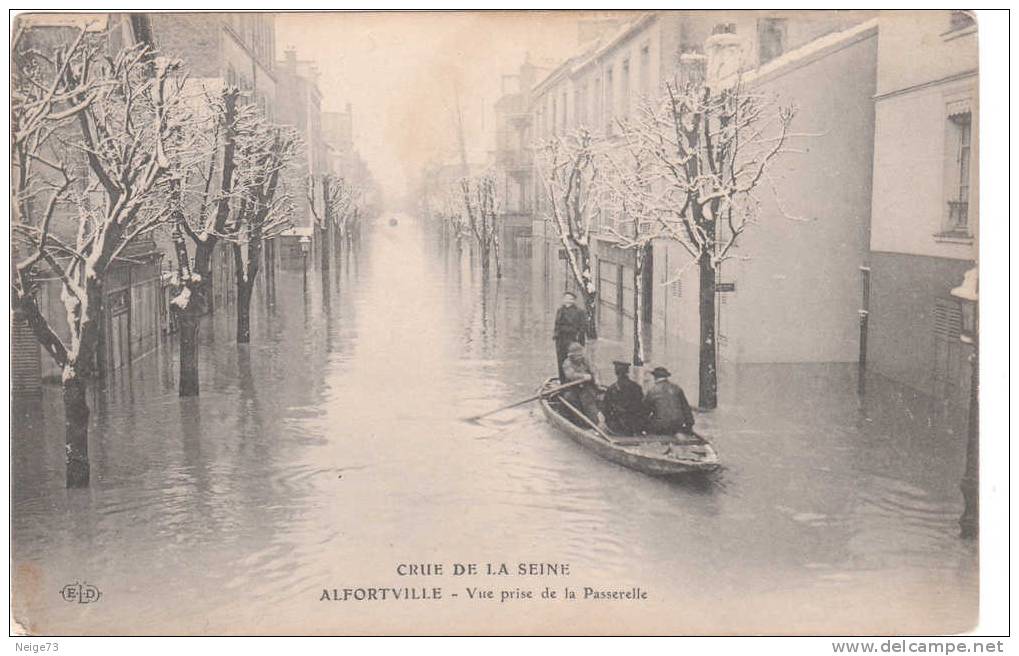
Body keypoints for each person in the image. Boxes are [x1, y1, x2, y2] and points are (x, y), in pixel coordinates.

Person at [643, 366, 695, 435]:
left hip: (659, 426)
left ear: (655, 377)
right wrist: (689, 424)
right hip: (677, 425)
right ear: (666, 377)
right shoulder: (677, 388)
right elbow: (686, 408)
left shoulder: (652, 391)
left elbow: (645, 411)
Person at [561, 342, 600, 426]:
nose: (580, 358)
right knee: (570, 399)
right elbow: (570, 375)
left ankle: (595, 423)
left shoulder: (585, 359)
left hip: (586, 387)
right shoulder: (567, 363)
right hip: (572, 388)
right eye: (577, 356)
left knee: (589, 399)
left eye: (581, 355)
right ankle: (578, 423)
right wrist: (583, 376)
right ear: (571, 356)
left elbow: (594, 369)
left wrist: (596, 379)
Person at [601, 361, 645, 435]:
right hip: (635, 426)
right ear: (627, 371)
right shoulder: (637, 387)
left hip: (618, 427)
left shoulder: (612, 389)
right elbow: (641, 407)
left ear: (616, 372)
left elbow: (606, 409)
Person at [552, 291, 588, 382]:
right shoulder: (560, 310)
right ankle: (562, 380)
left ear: (574, 301)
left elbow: (582, 328)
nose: (568, 300)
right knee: (561, 360)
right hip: (561, 340)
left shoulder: (579, 312)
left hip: (572, 339)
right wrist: (556, 336)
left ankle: (573, 380)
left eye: (571, 299)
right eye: (566, 298)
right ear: (563, 300)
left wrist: (580, 342)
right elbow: (557, 324)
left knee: (574, 360)